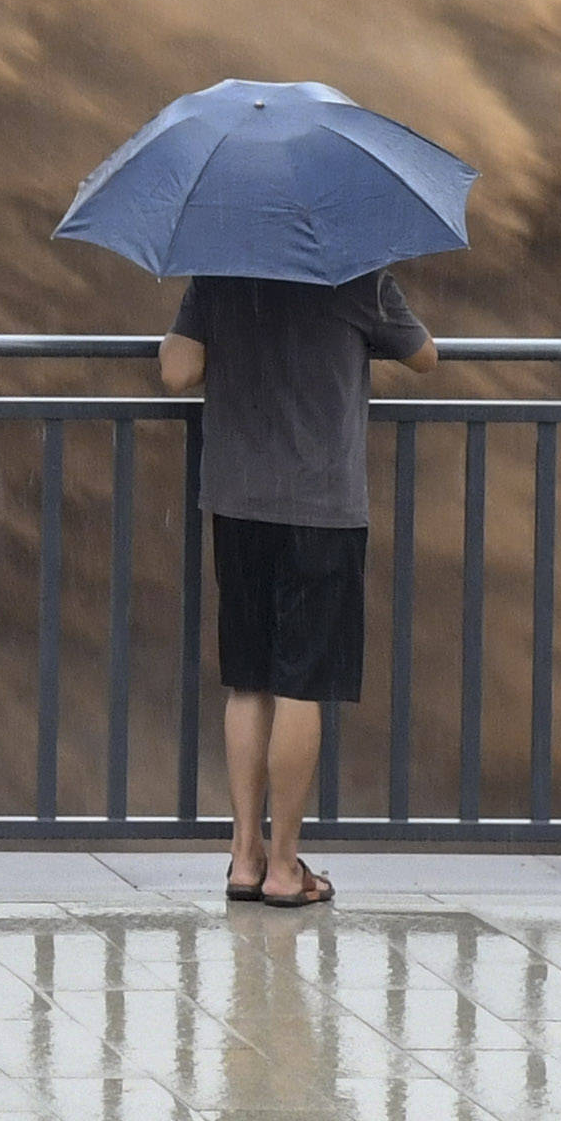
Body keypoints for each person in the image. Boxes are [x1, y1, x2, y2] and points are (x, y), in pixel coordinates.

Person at [157, 263, 426, 911]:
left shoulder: (219, 274)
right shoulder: (358, 276)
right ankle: (285, 866)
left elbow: (176, 371)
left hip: (239, 498)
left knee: (248, 679)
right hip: (322, 504)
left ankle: (244, 856)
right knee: (301, 683)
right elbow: (425, 356)